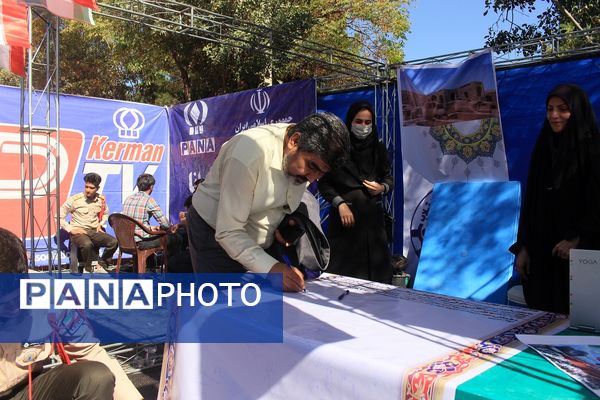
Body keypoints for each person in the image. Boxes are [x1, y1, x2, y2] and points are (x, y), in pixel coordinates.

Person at [187, 112, 350, 292]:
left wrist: (285, 226)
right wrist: (271, 268)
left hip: (255, 242)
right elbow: (228, 231)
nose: (312, 179)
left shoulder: (303, 150)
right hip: (213, 231)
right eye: (312, 166)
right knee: (223, 302)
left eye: (321, 173)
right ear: (294, 141)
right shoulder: (247, 155)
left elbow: (282, 199)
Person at [0, 227, 142, 400]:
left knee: (95, 377)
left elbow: (89, 351)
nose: (14, 307)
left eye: (20, 295)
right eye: (4, 303)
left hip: (28, 390)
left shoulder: (50, 293)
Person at [510, 84, 600, 314]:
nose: (554, 115)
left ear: (576, 111)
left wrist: (576, 237)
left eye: (562, 109)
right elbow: (532, 202)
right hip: (542, 255)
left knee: (580, 320)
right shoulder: (544, 147)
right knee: (542, 319)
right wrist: (524, 247)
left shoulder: (593, 149)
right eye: (550, 109)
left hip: (582, 256)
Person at [317, 101, 394, 283]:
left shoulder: (378, 148)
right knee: (343, 278)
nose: (363, 126)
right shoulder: (337, 150)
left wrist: (382, 188)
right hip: (345, 223)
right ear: (350, 121)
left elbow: (388, 178)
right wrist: (340, 204)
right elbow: (324, 183)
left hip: (372, 222)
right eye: (358, 121)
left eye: (368, 122)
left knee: (376, 279)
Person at [60, 172, 118, 272]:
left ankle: (101, 264)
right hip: (79, 232)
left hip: (94, 231)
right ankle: (89, 268)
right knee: (87, 244)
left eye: (91, 188)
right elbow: (58, 216)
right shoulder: (75, 200)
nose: (88, 190)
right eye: (86, 187)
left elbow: (105, 213)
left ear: (97, 188)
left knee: (113, 242)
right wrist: (71, 229)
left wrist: (100, 224)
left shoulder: (100, 200)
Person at [122, 173, 181, 255]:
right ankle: (172, 263)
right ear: (151, 187)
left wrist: (150, 228)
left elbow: (134, 222)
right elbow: (166, 225)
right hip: (141, 242)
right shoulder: (148, 200)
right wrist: (169, 228)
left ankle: (149, 262)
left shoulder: (128, 199)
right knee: (177, 238)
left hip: (125, 241)